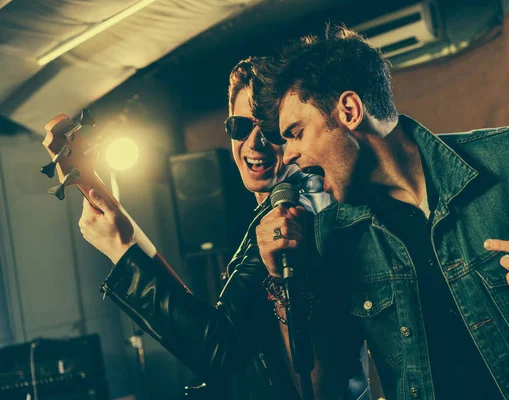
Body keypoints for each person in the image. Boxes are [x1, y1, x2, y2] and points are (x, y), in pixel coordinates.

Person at [255, 26, 509, 400]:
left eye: (296, 132)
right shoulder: (333, 234)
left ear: (350, 111)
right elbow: (323, 388)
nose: (288, 155)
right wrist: (282, 277)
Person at [79, 56, 369, 400]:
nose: (254, 143)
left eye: (270, 129)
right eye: (240, 127)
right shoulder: (278, 207)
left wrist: (119, 250)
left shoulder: (295, 213)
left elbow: (217, 348)